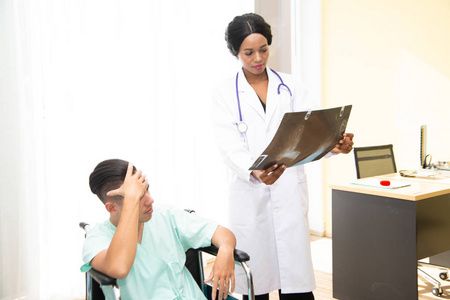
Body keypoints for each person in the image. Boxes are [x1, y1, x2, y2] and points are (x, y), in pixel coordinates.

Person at [212, 13, 354, 300]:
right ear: (235, 52)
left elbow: (312, 132)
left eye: (263, 49)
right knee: (257, 283)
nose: (257, 58)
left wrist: (334, 145)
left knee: (297, 284)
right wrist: (255, 172)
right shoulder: (225, 93)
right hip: (250, 194)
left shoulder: (290, 86)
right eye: (248, 52)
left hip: (288, 191)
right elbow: (229, 147)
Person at [81, 159, 237, 300]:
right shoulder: (97, 238)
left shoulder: (165, 215)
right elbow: (119, 268)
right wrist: (131, 202)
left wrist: (225, 250)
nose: (150, 200)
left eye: (146, 189)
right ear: (112, 208)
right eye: (138, 197)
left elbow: (222, 233)